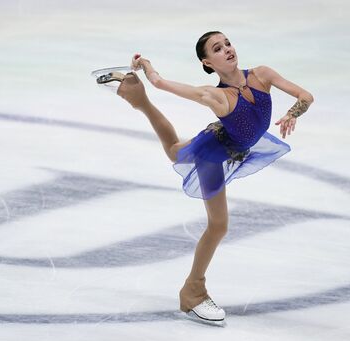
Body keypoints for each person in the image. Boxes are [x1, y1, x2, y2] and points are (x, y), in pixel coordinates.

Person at [114, 31, 314, 325]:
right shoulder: (216, 95)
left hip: (233, 144)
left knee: (174, 150)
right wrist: (146, 66)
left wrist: (294, 112)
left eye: (228, 43)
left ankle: (139, 101)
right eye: (217, 49)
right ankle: (193, 291)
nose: (227, 50)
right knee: (218, 224)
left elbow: (306, 96)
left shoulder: (262, 74)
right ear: (208, 63)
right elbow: (161, 83)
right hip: (214, 153)